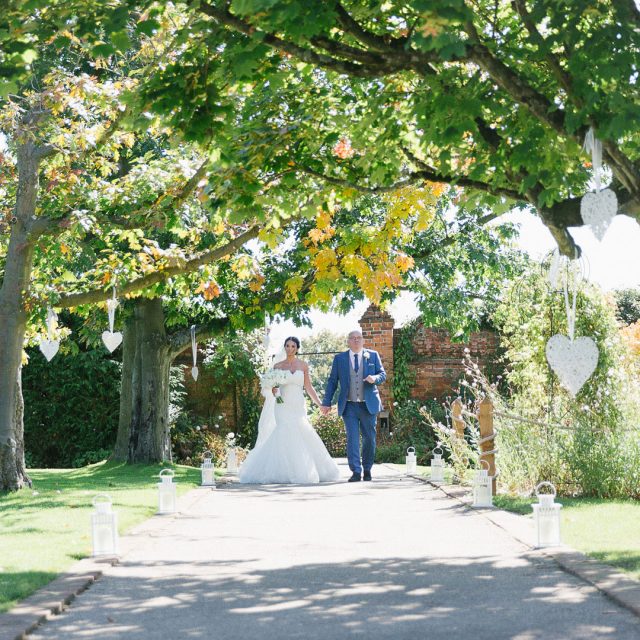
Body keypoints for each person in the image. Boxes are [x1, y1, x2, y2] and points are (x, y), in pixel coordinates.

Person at [238, 337, 340, 484]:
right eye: (287, 346)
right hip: (282, 405)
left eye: (293, 346)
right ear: (284, 347)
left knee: (301, 431)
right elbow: (273, 386)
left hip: (297, 404)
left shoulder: (303, 365)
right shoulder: (278, 366)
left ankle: (305, 469)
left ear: (297, 348)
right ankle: (284, 471)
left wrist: (320, 404)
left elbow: (309, 387)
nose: (290, 349)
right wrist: (273, 389)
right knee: (284, 431)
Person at [321, 330, 386, 482]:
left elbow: (382, 374)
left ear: (363, 341)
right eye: (353, 338)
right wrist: (326, 402)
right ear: (348, 341)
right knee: (352, 438)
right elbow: (332, 381)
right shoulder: (340, 359)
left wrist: (374, 378)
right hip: (348, 405)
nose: (356, 340)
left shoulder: (373, 355)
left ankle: (368, 468)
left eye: (359, 338)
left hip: (368, 404)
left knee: (369, 438)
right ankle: (356, 471)